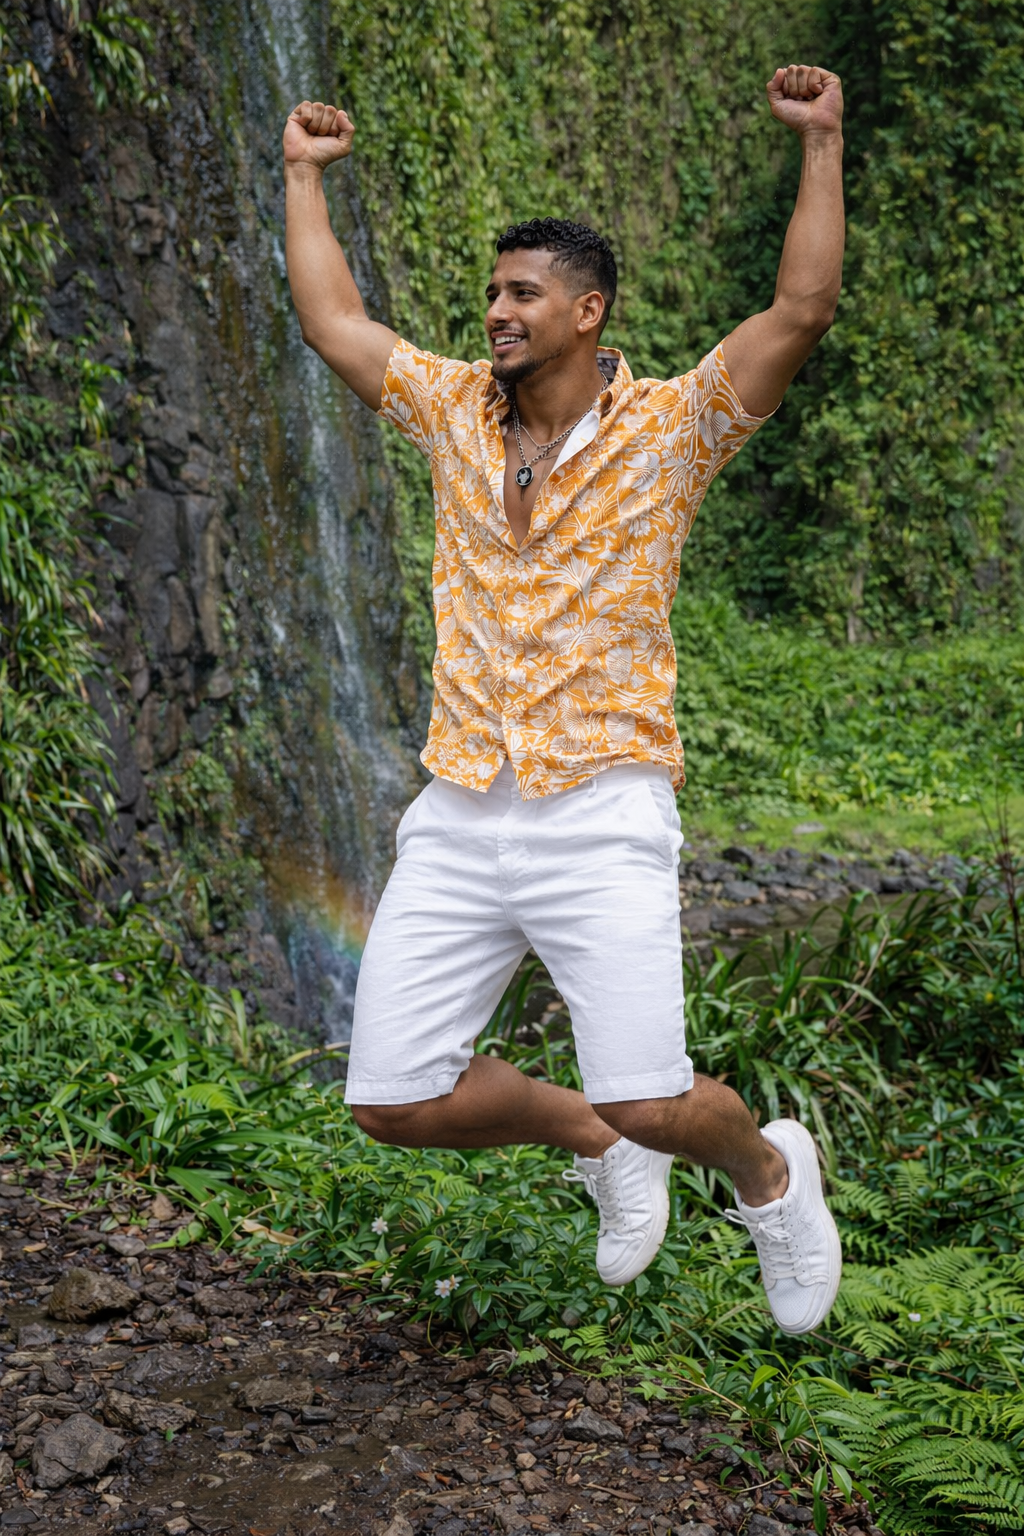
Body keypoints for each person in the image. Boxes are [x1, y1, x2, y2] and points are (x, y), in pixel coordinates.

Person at [283, 65, 845, 1335]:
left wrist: (820, 141)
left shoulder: (673, 429)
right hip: (461, 802)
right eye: (491, 292)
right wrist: (302, 174)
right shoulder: (451, 412)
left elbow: (801, 308)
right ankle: (597, 1140)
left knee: (659, 1096)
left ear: (587, 311)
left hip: (602, 806)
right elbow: (334, 322)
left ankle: (769, 1174)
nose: (496, 311)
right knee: (391, 1100)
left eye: (522, 293)